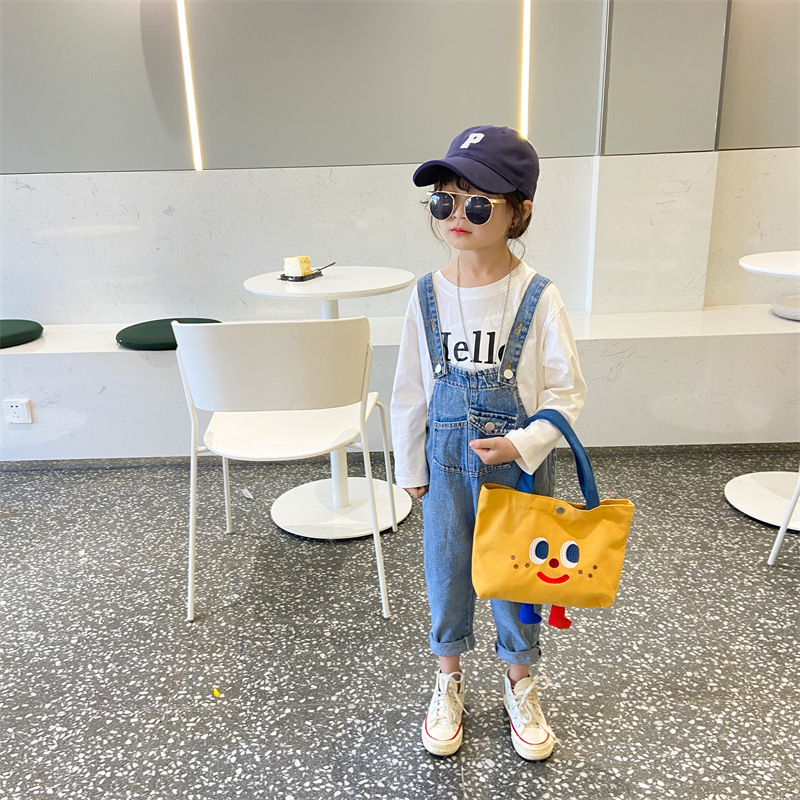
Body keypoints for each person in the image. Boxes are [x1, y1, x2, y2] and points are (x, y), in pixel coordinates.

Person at [390, 125, 587, 760]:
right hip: (446, 468)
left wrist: (524, 445)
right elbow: (410, 390)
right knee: (446, 572)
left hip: (519, 472)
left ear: (518, 212)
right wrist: (410, 465)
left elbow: (567, 393)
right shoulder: (426, 295)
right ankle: (447, 679)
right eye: (443, 200)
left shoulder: (539, 296)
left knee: (518, 579)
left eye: (477, 203)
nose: (456, 215)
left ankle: (520, 682)